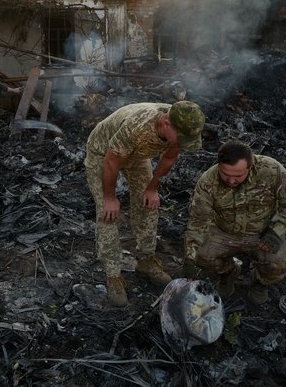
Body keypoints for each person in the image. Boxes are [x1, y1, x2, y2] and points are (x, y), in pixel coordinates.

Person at [84, 100, 206, 307]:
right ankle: (113, 274)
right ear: (166, 123)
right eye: (182, 138)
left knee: (149, 206)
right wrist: (110, 198)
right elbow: (111, 162)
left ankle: (146, 259)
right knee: (107, 213)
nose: (183, 142)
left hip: (138, 154)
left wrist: (152, 187)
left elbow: (169, 157)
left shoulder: (185, 124)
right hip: (103, 153)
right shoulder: (138, 125)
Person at [182, 140, 286, 305]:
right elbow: (198, 220)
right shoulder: (207, 181)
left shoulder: (272, 170)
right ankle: (228, 272)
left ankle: (260, 282)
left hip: (262, 234)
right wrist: (190, 258)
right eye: (226, 174)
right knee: (201, 255)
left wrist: (277, 232)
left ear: (250, 166)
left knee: (280, 261)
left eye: (238, 176)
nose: (231, 181)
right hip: (223, 232)